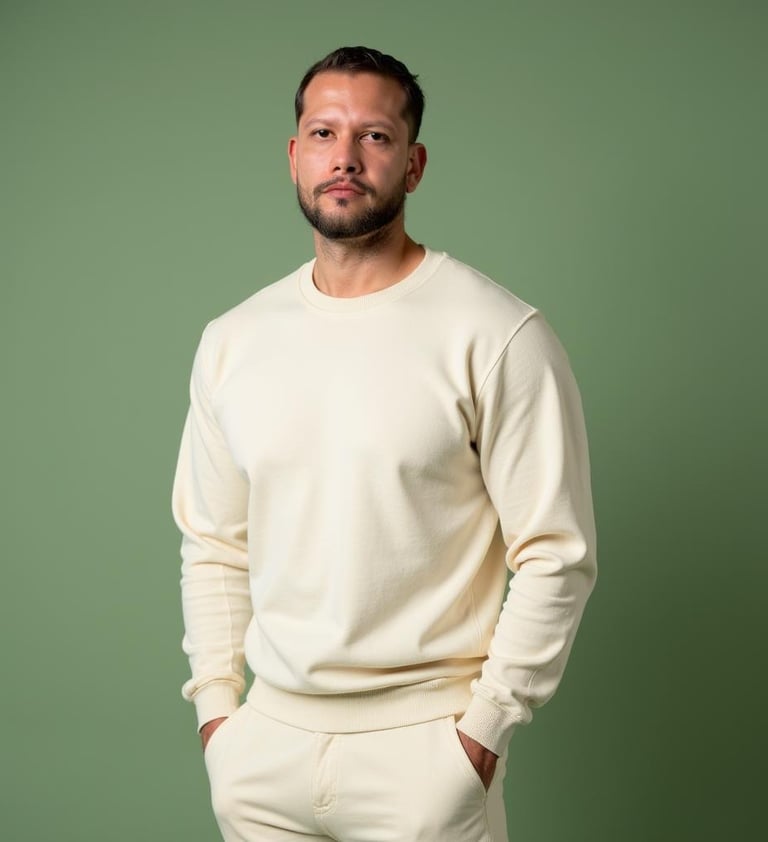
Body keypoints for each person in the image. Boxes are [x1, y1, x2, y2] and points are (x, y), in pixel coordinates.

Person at [172, 45, 597, 842]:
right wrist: (220, 720)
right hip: (263, 754)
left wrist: (481, 736)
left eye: (374, 135)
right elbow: (214, 544)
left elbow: (556, 554)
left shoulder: (496, 333)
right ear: (293, 156)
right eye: (323, 133)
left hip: (426, 758)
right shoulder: (234, 340)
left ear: (413, 164)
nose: (345, 156)